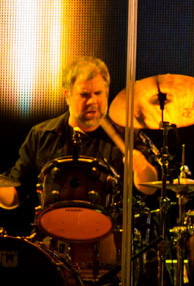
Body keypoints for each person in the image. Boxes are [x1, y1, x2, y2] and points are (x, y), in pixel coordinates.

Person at [0, 56, 158, 213]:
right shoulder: (41, 135)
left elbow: (149, 188)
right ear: (67, 95)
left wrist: (142, 167)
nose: (92, 101)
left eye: (98, 93)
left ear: (107, 93)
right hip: (53, 227)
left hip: (109, 228)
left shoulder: (127, 135)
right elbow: (14, 197)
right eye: (84, 95)